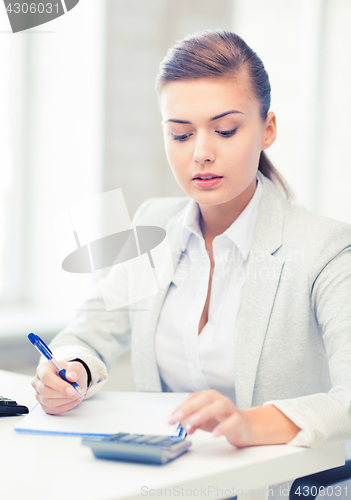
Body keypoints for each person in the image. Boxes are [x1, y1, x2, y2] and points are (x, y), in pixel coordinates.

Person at [32, 29, 351, 489]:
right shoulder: (153, 225)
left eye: (225, 130)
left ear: (268, 129)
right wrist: (70, 371)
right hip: (168, 486)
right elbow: (88, 333)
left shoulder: (327, 250)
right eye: (180, 134)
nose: (201, 153)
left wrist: (252, 423)